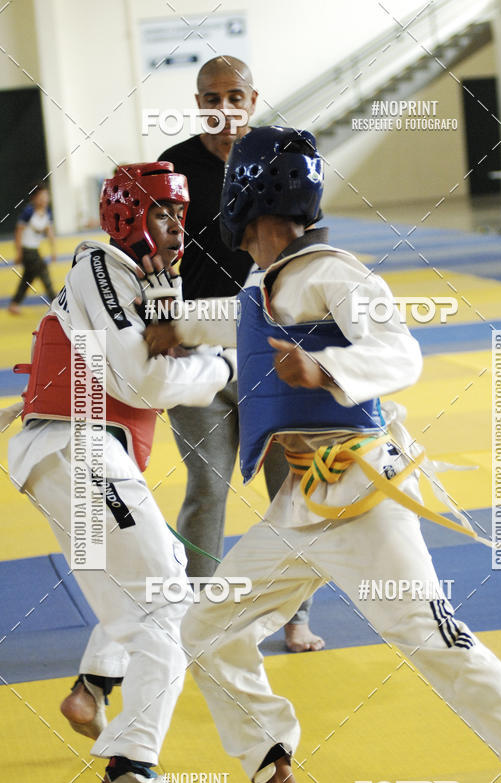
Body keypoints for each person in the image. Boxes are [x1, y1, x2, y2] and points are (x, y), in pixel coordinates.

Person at [175, 127, 501, 783]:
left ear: (250, 205)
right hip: (302, 506)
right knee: (204, 627)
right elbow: (231, 321)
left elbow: (399, 348)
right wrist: (169, 326)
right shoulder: (266, 281)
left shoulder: (334, 273)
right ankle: (273, 781)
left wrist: (325, 369)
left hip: (360, 495)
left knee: (435, 639)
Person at [7, 162, 236, 783]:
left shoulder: (148, 282)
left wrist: (214, 343)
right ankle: (132, 767)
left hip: (73, 459)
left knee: (134, 604)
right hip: (78, 450)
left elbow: (161, 362)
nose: (175, 228)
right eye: (162, 213)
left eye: (181, 216)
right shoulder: (100, 268)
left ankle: (95, 694)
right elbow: (147, 381)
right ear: (128, 215)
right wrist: (217, 366)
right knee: (168, 598)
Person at [158, 55, 324, 652]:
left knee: (292, 489)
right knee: (208, 487)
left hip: (272, 349)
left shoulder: (282, 163)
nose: (221, 107)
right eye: (209, 96)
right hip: (198, 353)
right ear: (197, 100)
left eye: (233, 95)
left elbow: (311, 256)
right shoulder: (172, 170)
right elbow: (150, 265)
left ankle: (294, 612)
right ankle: (197, 618)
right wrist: (164, 331)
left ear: (253, 101)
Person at [9, 183, 57, 314]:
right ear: (34, 198)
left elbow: (49, 232)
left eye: (46, 196)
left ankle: (14, 304)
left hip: (34, 250)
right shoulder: (28, 212)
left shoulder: (47, 212)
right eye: (41, 196)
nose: (44, 199)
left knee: (28, 278)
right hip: (26, 250)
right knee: (43, 272)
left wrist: (53, 250)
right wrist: (18, 253)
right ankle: (57, 303)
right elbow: (18, 233)